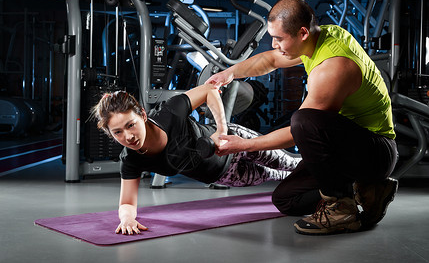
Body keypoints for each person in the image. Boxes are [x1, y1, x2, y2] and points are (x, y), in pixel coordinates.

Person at [206, 0, 398, 235]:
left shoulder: (333, 67)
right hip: (342, 147)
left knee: (303, 120)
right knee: (286, 200)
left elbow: (299, 131)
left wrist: (245, 145)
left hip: (374, 151)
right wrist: (229, 73)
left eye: (278, 39)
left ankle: (341, 208)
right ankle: (367, 189)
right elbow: (270, 60)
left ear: (303, 33)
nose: (274, 44)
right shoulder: (317, 38)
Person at [92, 84, 301, 235]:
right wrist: (127, 218)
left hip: (236, 144)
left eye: (131, 125)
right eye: (117, 132)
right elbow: (127, 202)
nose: (128, 137)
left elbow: (209, 90)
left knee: (291, 164)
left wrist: (221, 129)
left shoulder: (171, 113)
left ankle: (331, 172)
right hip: (226, 175)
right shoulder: (130, 159)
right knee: (279, 175)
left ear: (143, 116)